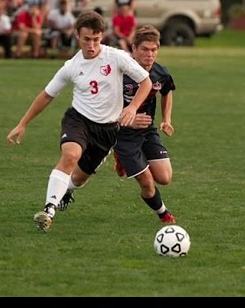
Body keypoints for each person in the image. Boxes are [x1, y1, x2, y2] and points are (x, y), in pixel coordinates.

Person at [6, 11, 152, 232]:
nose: (91, 45)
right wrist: (23, 123)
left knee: (80, 179)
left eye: (96, 39)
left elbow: (146, 81)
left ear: (102, 36)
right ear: (77, 36)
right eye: (86, 39)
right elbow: (47, 95)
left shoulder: (116, 57)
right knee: (70, 155)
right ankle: (48, 211)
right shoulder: (71, 66)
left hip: (107, 131)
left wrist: (131, 107)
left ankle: (66, 191)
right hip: (79, 120)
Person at [59, 25, 176, 224]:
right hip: (117, 133)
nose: (150, 55)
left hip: (147, 132)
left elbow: (166, 91)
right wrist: (127, 118)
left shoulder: (160, 72)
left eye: (154, 50)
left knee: (164, 177)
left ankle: (123, 160)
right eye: (145, 50)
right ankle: (164, 215)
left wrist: (166, 119)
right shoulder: (118, 74)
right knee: (81, 178)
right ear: (134, 49)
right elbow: (100, 106)